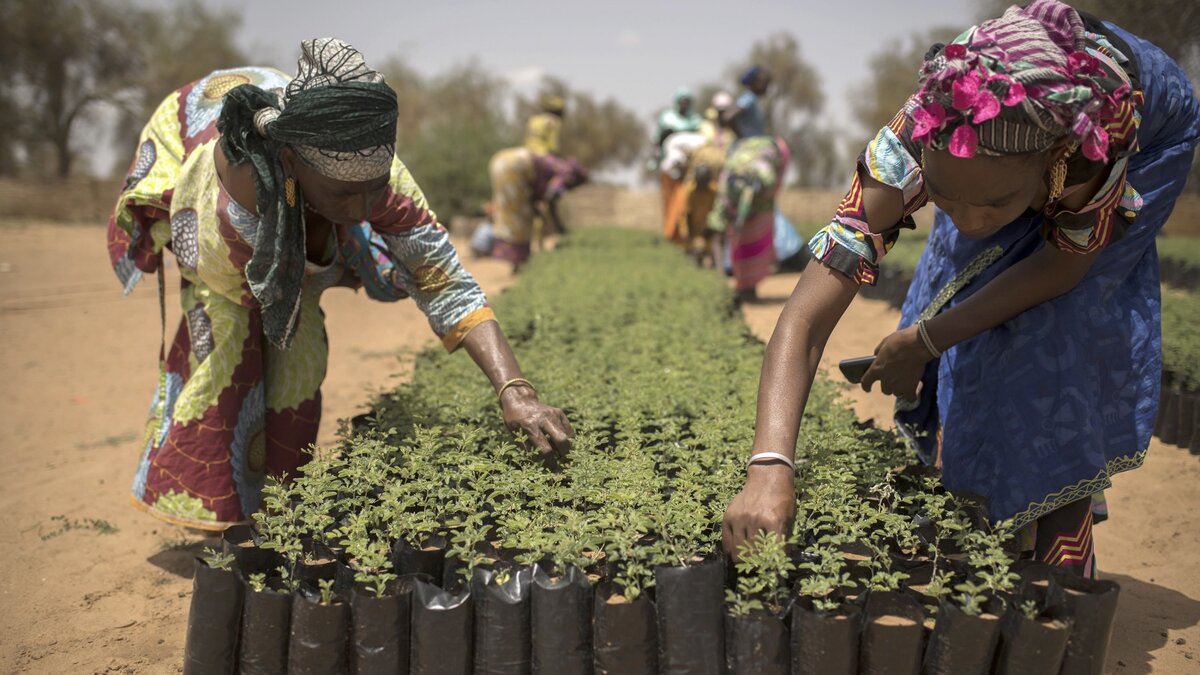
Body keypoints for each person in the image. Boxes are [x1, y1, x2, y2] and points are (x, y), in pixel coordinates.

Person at [723, 1, 1200, 577]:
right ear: (924, 157)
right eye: (944, 198)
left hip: (1147, 138)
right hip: (997, 160)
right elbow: (804, 320)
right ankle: (981, 505)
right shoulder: (907, 151)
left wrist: (925, 341)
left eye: (994, 202)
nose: (970, 221)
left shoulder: (1088, 154)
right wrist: (770, 466)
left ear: (1051, 164)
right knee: (953, 279)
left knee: (1051, 332)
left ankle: (1061, 546)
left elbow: (1060, 270)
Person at [107, 39, 575, 531]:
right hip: (208, 223)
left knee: (301, 360)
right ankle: (225, 516)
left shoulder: (373, 172)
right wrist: (320, 258)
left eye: (375, 190)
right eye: (344, 195)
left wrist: (514, 389)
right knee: (231, 343)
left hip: (294, 195)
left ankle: (283, 511)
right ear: (290, 162)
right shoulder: (237, 191)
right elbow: (245, 281)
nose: (363, 209)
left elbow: (444, 278)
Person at [489, 145, 588, 272]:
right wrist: (560, 228)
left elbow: (538, 194)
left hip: (499, 161)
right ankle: (519, 262)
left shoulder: (554, 163)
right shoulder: (565, 173)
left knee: (509, 213)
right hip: (515, 166)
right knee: (520, 217)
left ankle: (518, 262)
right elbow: (551, 197)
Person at [723, 66, 771, 141]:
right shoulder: (749, 98)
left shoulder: (753, 99)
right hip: (750, 144)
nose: (766, 86)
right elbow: (728, 116)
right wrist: (740, 135)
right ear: (755, 83)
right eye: (763, 82)